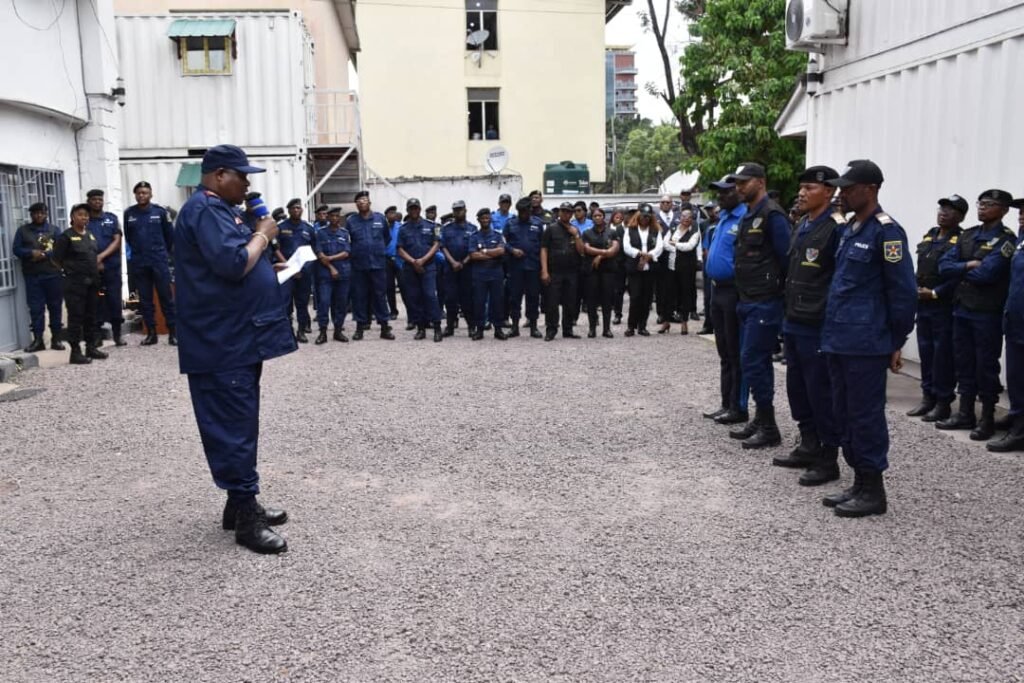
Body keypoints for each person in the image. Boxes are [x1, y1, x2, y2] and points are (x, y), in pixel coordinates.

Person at [174, 144, 295, 554]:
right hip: (221, 341)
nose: (246, 183)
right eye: (241, 175)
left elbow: (231, 264)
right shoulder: (206, 209)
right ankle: (245, 519)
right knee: (233, 425)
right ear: (219, 175)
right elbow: (232, 263)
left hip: (235, 337)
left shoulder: (221, 210)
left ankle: (237, 504)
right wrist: (262, 235)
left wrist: (265, 265)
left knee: (239, 420)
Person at [819, 160, 916, 518]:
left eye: (849, 188)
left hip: (866, 343)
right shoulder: (850, 229)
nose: (842, 193)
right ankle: (859, 481)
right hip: (839, 338)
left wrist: (895, 340)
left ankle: (874, 490)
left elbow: (903, 292)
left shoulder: (886, 232)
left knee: (865, 415)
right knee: (843, 412)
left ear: (871, 189)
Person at [774, 166, 844, 485]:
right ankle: (808, 444)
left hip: (817, 323)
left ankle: (828, 458)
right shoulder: (803, 224)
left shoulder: (836, 227)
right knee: (797, 388)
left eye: (810, 188)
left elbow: (839, 279)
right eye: (801, 187)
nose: (802, 193)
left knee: (820, 391)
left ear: (828, 192)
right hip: (794, 319)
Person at [936, 189, 1017, 440]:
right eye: (980, 203)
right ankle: (965, 413)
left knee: (985, 366)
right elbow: (943, 266)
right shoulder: (968, 235)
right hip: (961, 309)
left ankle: (987, 418)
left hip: (986, 313)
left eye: (989, 204)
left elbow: (987, 274)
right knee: (963, 363)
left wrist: (959, 269)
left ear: (1003, 210)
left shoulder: (1006, 240)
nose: (982, 207)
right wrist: (969, 265)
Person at [906, 195, 966, 423]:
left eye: (950, 210)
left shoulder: (961, 240)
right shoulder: (930, 235)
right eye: (941, 209)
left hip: (943, 305)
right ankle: (927, 397)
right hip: (923, 305)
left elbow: (958, 276)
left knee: (942, 355)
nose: (943, 213)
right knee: (926, 351)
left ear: (960, 217)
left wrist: (934, 292)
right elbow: (921, 267)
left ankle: (943, 402)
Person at [703, 177, 749, 424]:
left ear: (739, 192)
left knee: (735, 352)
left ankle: (738, 407)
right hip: (717, 291)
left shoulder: (744, 218)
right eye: (719, 193)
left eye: (726, 192)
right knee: (724, 351)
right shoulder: (722, 218)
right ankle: (725, 403)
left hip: (734, 291)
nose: (721, 197)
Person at [52, 204, 108, 365]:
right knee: (76, 318)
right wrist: (69, 272)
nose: (84, 217)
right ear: (72, 217)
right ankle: (75, 352)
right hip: (75, 285)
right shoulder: (66, 236)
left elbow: (93, 256)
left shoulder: (89, 235)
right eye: (80, 214)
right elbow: (55, 260)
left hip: (92, 283)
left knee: (91, 316)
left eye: (86, 215)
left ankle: (91, 347)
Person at [989, 195, 1024, 451]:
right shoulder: (1020, 241)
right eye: (1020, 211)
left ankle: (1020, 432)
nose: (1021, 216)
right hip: (1015, 320)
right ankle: (1017, 415)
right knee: (1015, 376)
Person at [124, 181, 177, 346]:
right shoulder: (129, 213)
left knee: (166, 297)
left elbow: (170, 237)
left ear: (151, 194)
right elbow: (129, 236)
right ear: (135, 195)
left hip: (158, 261)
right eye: (139, 193)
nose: (142, 195)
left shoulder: (160, 212)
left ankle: (173, 333)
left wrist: (161, 253)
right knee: (145, 300)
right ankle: (151, 334)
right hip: (140, 262)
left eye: (145, 192)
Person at [12, 202, 65, 352]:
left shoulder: (54, 230)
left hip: (53, 274)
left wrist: (44, 254)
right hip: (33, 276)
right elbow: (16, 249)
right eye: (35, 213)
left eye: (42, 213)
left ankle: (56, 339)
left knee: (55, 307)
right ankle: (38, 340)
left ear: (46, 214)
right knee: (36, 309)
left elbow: (61, 248)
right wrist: (30, 253)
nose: (39, 215)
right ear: (31, 215)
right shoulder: (23, 231)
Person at [346, 190, 394, 340]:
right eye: (359, 201)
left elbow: (386, 238)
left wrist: (376, 250)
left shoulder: (380, 218)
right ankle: (360, 327)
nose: (362, 203)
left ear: (369, 202)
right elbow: (348, 241)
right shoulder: (351, 221)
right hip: (359, 265)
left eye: (364, 200)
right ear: (356, 205)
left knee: (380, 295)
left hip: (378, 264)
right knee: (359, 296)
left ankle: (384, 327)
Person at [397, 198, 443, 342]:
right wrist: (413, 262)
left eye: (416, 208)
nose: (414, 211)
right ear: (407, 210)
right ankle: (420, 328)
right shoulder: (403, 229)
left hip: (428, 266)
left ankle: (437, 327)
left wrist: (423, 260)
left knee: (430, 296)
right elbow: (399, 249)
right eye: (411, 208)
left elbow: (436, 244)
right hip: (410, 268)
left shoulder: (432, 226)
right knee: (415, 298)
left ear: (420, 209)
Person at [84, 189, 126, 347]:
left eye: (100, 199)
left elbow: (117, 240)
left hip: (111, 267)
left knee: (114, 300)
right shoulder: (84, 220)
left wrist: (101, 257)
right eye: (94, 199)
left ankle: (117, 335)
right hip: (91, 268)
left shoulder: (111, 218)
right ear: (88, 201)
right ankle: (97, 336)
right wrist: (94, 260)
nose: (97, 202)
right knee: (94, 301)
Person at [540, 202, 585, 341]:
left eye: (568, 211)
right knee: (552, 302)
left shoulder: (575, 229)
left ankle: (568, 329)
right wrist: (544, 271)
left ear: (571, 214)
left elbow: (581, 251)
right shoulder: (551, 229)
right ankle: (551, 330)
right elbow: (544, 249)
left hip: (571, 271)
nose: (565, 214)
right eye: (563, 211)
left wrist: (576, 235)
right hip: (555, 271)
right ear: (559, 212)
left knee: (570, 302)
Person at [277, 198, 316, 343]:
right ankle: (288, 332)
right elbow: (275, 249)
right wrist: (288, 267)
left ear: (302, 210)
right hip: (286, 272)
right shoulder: (281, 228)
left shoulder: (308, 228)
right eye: (293, 208)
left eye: (298, 208)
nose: (296, 210)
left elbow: (314, 251)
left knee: (302, 303)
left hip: (303, 273)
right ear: (288, 210)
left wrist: (303, 268)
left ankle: (301, 331)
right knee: (285, 303)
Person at [622, 204, 664, 337]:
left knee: (646, 299)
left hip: (650, 268)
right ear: (638, 216)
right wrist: (639, 254)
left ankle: (642, 326)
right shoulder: (630, 230)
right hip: (635, 268)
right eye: (643, 216)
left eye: (647, 216)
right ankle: (631, 326)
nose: (645, 219)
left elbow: (660, 247)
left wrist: (649, 256)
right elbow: (626, 247)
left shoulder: (656, 230)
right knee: (635, 297)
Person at [505, 197, 544, 339]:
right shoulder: (510, 223)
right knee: (514, 297)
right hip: (516, 267)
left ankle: (533, 327)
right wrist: (512, 250)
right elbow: (502, 242)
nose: (523, 214)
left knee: (533, 297)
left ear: (530, 210)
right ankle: (514, 327)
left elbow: (543, 245)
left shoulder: (538, 223)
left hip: (533, 266)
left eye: (526, 211)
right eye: (521, 212)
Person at [313, 207, 352, 344]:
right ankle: (323, 332)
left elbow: (347, 252)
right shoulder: (320, 233)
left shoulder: (345, 233)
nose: (335, 218)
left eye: (337, 216)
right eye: (332, 216)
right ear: (328, 218)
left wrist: (330, 258)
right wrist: (331, 267)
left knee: (341, 303)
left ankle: (338, 331)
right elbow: (319, 253)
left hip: (343, 273)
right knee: (324, 302)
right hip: (325, 274)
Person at [468, 208, 507, 340]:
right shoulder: (474, 236)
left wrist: (484, 251)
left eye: (487, 218)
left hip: (496, 273)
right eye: (483, 218)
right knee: (479, 302)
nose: (485, 220)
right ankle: (479, 329)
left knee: (497, 302)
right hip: (480, 274)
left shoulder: (497, 235)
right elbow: (473, 255)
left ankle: (498, 329)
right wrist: (492, 254)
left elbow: (501, 251)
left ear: (490, 219)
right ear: (478, 220)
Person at [581, 207, 620, 338]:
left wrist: (599, 256)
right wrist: (604, 252)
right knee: (591, 300)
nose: (597, 218)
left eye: (600, 216)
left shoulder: (612, 232)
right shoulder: (587, 233)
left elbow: (614, 249)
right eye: (595, 216)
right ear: (592, 218)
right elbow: (587, 249)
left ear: (604, 217)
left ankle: (606, 329)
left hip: (608, 270)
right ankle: (592, 328)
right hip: (592, 271)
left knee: (607, 300)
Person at [441, 200, 477, 337]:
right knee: (450, 299)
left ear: (465, 210)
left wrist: (462, 263)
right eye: (455, 210)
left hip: (467, 268)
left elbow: (474, 249)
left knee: (467, 299)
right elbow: (443, 247)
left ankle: (471, 327)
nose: (458, 212)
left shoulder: (472, 228)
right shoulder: (446, 228)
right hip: (450, 268)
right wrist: (453, 262)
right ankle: (450, 326)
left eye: (460, 209)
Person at [664, 209, 700, 334]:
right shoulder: (673, 228)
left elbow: (689, 246)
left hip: (686, 268)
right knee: (668, 295)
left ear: (692, 219)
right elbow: (665, 243)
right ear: (680, 217)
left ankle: (684, 322)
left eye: (689, 217)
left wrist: (674, 244)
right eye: (684, 216)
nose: (686, 218)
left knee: (685, 295)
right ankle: (666, 322)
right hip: (671, 266)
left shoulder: (694, 231)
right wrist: (678, 246)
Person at [697, 202, 719, 334]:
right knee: (707, 296)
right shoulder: (703, 224)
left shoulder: (722, 222)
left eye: (712, 209)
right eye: (708, 210)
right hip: (707, 262)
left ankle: (718, 325)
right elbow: (701, 243)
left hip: (719, 261)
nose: (711, 212)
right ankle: (708, 325)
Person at [609, 209, 628, 325]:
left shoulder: (625, 229)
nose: (619, 220)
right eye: (617, 217)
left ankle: (620, 314)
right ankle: (616, 313)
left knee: (622, 290)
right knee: (615, 290)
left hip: (625, 263)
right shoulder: (608, 229)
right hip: (613, 263)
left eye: (621, 218)